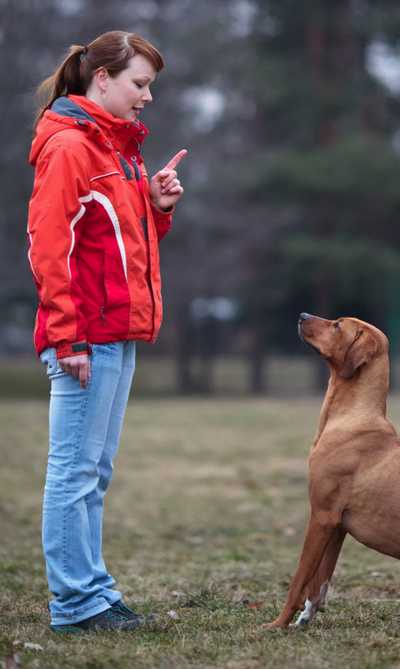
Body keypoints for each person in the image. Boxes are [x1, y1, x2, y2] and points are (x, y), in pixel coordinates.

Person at [27, 31, 186, 633]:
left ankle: (92, 591)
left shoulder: (119, 150)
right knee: (73, 473)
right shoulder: (70, 147)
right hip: (84, 339)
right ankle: (76, 604)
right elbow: (49, 247)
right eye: (139, 84)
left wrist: (157, 207)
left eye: (150, 86)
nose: (147, 97)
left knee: (94, 473)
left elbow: (118, 246)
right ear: (102, 79)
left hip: (114, 334)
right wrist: (66, 339)